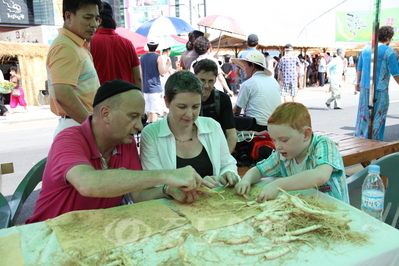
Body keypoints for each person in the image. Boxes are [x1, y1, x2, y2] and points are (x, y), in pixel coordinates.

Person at [26, 79, 204, 224]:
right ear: (105, 114)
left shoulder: (124, 142)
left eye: (141, 117)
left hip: (94, 234)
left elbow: (139, 195)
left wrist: (167, 190)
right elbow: (88, 183)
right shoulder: (69, 139)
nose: (140, 126)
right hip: (49, 235)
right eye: (132, 116)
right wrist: (167, 175)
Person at [140, 71, 239, 204]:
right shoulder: (151, 134)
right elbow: (155, 183)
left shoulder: (212, 126)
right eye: (182, 107)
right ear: (167, 101)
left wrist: (227, 174)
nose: (189, 114)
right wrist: (178, 188)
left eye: (195, 107)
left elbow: (227, 163)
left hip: (214, 205)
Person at [235, 102, 349, 204]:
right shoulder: (283, 155)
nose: (277, 146)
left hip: (335, 213)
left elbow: (320, 175)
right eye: (274, 140)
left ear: (306, 134)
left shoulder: (324, 145)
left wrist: (278, 185)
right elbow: (259, 170)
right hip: (304, 212)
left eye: (284, 140)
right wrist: (246, 180)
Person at [47, 0, 102, 137]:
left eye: (96, 19)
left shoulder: (75, 45)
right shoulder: (65, 47)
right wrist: (92, 126)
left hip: (79, 123)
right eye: (87, 18)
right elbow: (63, 94)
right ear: (68, 17)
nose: (94, 24)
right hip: (77, 125)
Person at [354, 26, 399, 141]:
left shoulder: (367, 49)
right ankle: (375, 142)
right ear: (388, 38)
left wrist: (357, 82)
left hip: (365, 88)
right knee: (378, 117)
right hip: (380, 90)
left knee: (363, 115)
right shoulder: (389, 51)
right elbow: (395, 72)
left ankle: (361, 139)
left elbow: (359, 67)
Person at [90, 1, 141, 88]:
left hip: (102, 98)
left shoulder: (90, 43)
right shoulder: (127, 43)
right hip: (127, 96)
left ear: (100, 21)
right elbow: (138, 77)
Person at [193, 59, 237, 153]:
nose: (206, 85)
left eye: (210, 81)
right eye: (202, 80)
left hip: (216, 146)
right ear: (195, 78)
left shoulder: (222, 99)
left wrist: (226, 158)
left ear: (215, 80)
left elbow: (231, 133)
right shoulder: (186, 97)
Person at [232, 50, 281, 132]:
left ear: (252, 66)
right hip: (275, 127)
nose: (243, 70)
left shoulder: (248, 84)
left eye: (244, 66)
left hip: (256, 128)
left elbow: (236, 110)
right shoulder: (274, 82)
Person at [140, 40, 171, 122]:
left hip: (145, 88)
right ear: (157, 47)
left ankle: (148, 129)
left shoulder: (142, 57)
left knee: (149, 111)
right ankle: (153, 132)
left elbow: (140, 73)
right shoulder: (158, 57)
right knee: (155, 112)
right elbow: (162, 73)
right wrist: (168, 65)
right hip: (155, 88)